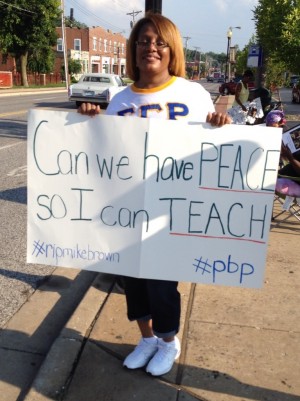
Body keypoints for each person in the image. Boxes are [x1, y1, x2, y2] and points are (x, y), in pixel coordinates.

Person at [78, 12, 231, 377]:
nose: (151, 48)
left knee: (162, 283)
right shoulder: (119, 99)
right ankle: (146, 338)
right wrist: (87, 123)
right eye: (144, 41)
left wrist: (219, 126)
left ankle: (167, 341)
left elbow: (214, 149)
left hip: (171, 212)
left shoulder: (191, 93)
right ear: (134, 49)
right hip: (129, 208)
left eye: (160, 42)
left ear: (172, 49)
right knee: (133, 280)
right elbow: (104, 153)